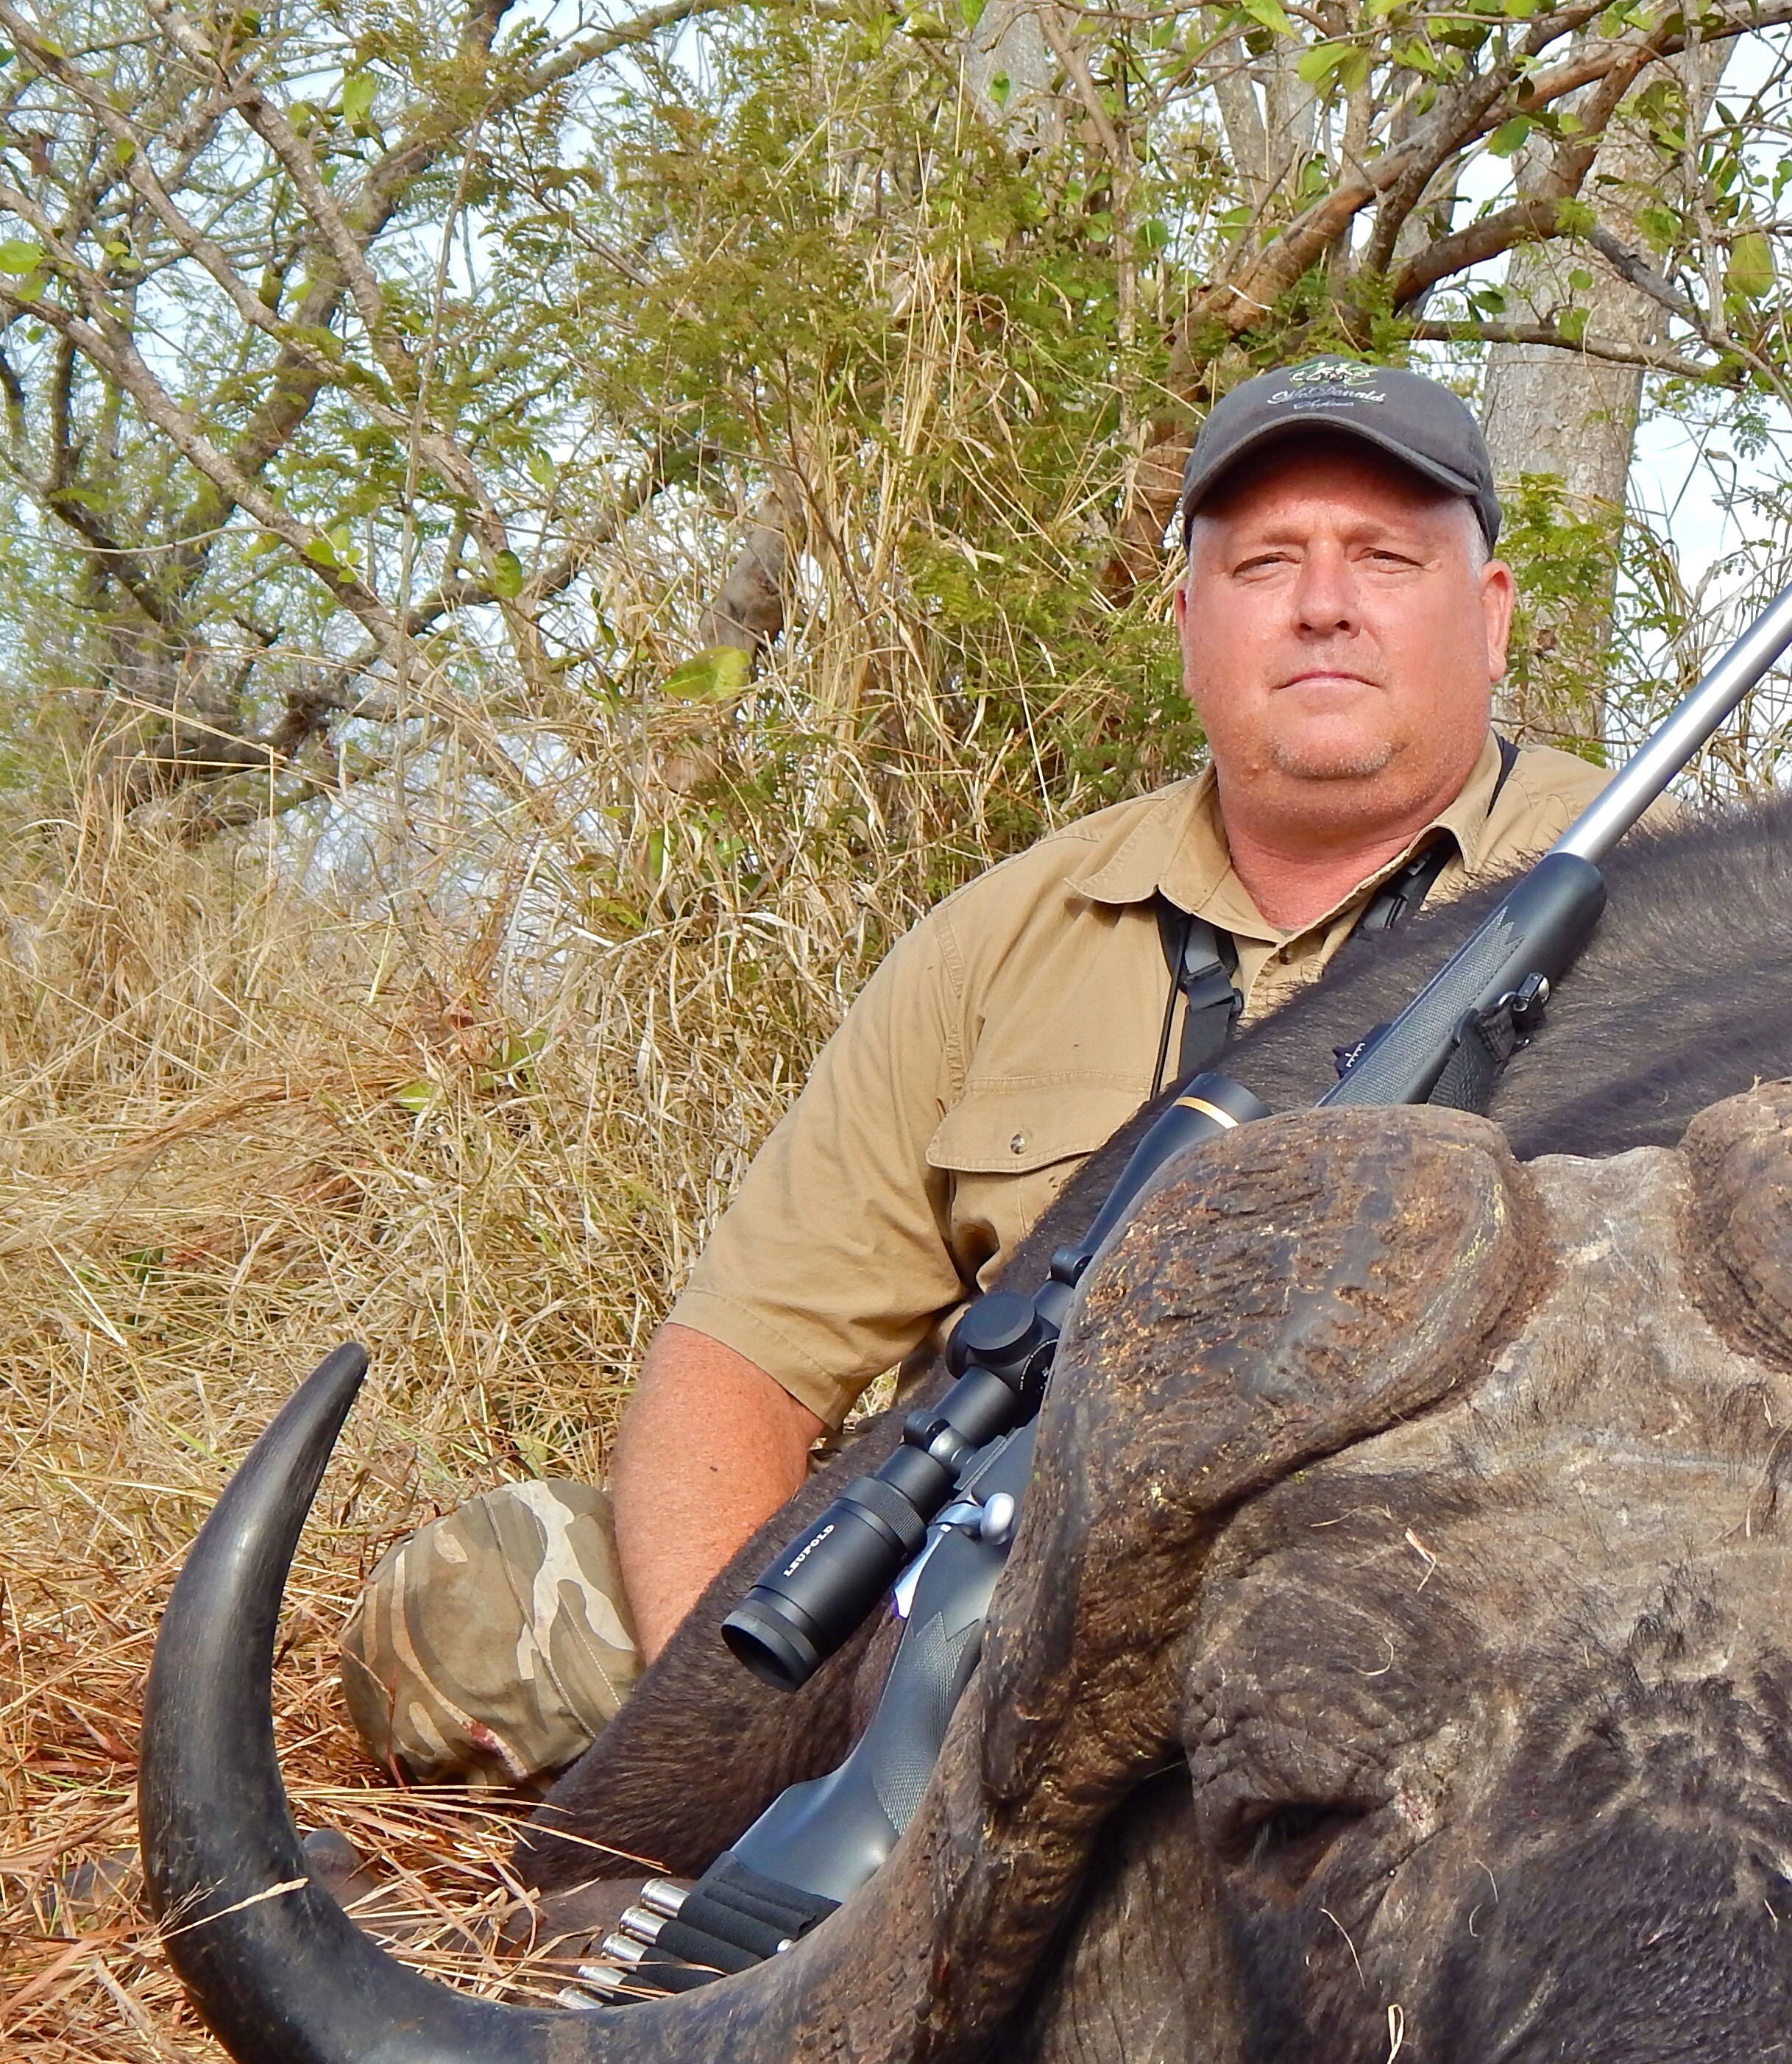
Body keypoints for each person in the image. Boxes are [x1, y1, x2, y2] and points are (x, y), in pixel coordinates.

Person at [339, 360, 1612, 1787]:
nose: (1325, 603)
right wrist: (762, 1738)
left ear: (1491, 618)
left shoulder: (1682, 895)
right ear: (1190, 623)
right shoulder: (1001, 934)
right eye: (1264, 565)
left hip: (1465, 1612)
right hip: (1011, 1609)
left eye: (1385, 557)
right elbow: (738, 1361)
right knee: (486, 1600)